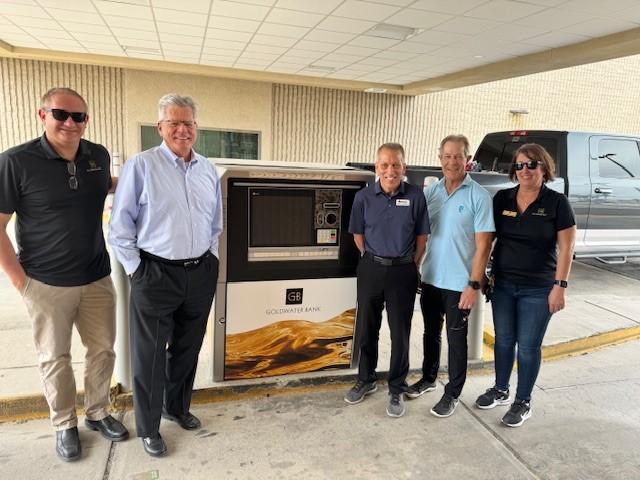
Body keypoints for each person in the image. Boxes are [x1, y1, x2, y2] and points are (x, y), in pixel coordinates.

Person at [0, 87, 128, 461]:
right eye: (61, 114)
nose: (70, 123)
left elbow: (106, 186)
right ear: (43, 116)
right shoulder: (16, 162)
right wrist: (21, 282)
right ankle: (64, 424)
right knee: (55, 357)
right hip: (45, 283)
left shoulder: (98, 156)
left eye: (79, 117)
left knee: (102, 351)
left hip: (97, 278)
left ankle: (98, 412)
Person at [108, 93, 222, 456]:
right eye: (174, 123)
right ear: (160, 127)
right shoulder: (141, 166)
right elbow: (120, 226)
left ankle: (177, 407)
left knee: (188, 349)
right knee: (150, 356)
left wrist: (212, 260)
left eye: (188, 123)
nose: (182, 129)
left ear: (196, 129)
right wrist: (137, 272)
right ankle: (148, 427)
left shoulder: (207, 169)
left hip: (199, 272)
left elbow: (215, 224)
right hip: (155, 273)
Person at [475, 143, 576, 427]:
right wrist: (480, 273)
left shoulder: (557, 202)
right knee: (504, 341)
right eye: (519, 165)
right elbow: (487, 239)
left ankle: (523, 401)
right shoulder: (503, 198)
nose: (525, 171)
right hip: (504, 283)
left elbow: (567, 249)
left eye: (532, 165)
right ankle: (500, 389)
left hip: (538, 287)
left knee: (529, 347)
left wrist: (560, 286)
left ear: (544, 168)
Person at [406, 134, 494, 418]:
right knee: (430, 334)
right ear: (440, 159)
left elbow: (484, 246)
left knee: (457, 341)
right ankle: (429, 378)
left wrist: (473, 284)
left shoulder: (478, 196)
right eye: (447, 156)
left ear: (468, 160)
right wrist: (416, 268)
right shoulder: (431, 193)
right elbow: (421, 236)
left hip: (460, 285)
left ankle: (453, 393)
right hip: (431, 279)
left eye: (458, 156)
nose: (452, 161)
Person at [344, 143, 429, 418]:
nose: (390, 170)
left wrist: (409, 264)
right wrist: (373, 259)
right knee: (367, 327)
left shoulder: (416, 196)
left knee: (400, 333)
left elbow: (421, 238)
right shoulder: (364, 197)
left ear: (404, 167)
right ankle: (366, 380)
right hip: (370, 268)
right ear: (376, 167)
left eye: (396, 164)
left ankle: (396, 387)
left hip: (403, 271)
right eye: (384, 164)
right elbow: (358, 236)